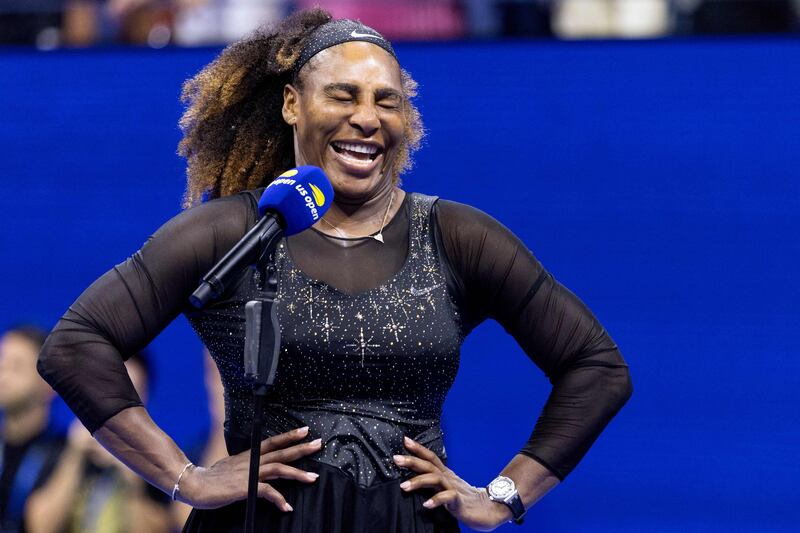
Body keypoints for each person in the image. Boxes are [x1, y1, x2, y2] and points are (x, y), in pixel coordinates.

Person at [38, 7, 633, 532]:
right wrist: (183, 477)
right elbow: (76, 344)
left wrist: (503, 495)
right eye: (343, 95)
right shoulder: (233, 231)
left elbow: (597, 367)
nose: (368, 118)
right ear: (293, 104)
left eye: (386, 100)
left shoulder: (458, 236)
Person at [25, 351, 171, 533]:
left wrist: (132, 473)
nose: (118, 406)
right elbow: (40, 527)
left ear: (144, 402)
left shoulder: (157, 461)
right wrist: (74, 454)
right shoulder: (62, 447)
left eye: (131, 395)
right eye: (111, 390)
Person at [0, 325, 63, 533]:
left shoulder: (65, 454)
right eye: (2, 363)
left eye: (16, 367)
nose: (3, 376)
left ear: (48, 384)